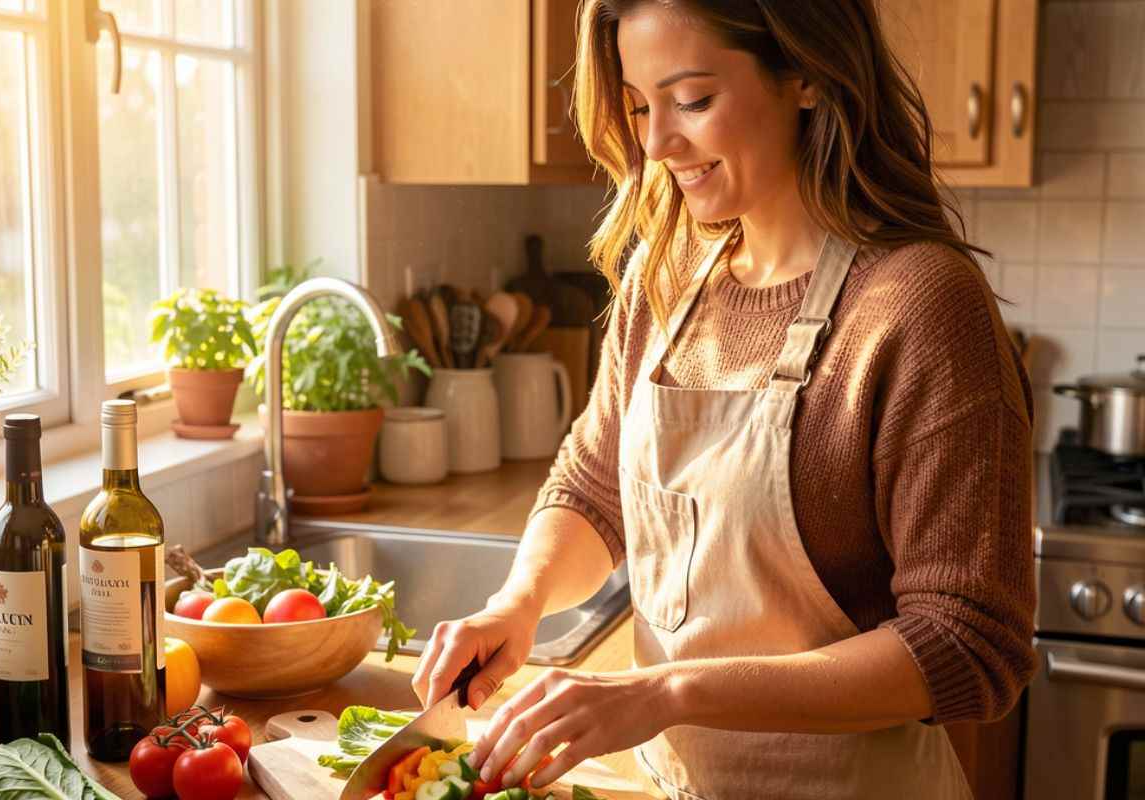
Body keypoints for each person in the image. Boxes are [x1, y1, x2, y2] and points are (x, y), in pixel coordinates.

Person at [412, 1, 1037, 797]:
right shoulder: (665, 275)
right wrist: (517, 603)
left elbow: (970, 643)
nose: (656, 143)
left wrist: (668, 691)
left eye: (692, 100)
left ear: (806, 75)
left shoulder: (920, 305)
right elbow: (595, 487)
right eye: (641, 106)